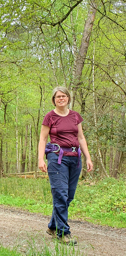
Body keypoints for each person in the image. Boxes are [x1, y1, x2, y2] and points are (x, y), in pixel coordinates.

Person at [38, 86, 93, 245]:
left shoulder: (76, 116)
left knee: (69, 195)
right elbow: (43, 139)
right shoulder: (50, 117)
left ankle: (53, 226)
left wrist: (88, 158)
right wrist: (41, 159)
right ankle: (63, 232)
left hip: (75, 158)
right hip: (57, 158)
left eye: (63, 96)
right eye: (57, 97)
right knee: (60, 193)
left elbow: (81, 138)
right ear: (54, 100)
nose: (61, 99)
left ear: (68, 98)